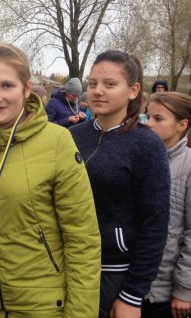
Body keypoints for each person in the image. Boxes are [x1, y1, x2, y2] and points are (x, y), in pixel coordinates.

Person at [0, 42, 101, 318]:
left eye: (7, 86)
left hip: (41, 306)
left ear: (26, 89)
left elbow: (82, 239)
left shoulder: (57, 142)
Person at [70, 50, 171, 318]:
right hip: (68, 264)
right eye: (92, 84)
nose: (97, 91)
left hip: (113, 271)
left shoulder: (146, 144)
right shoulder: (71, 136)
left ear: (133, 90)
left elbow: (155, 224)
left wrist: (132, 295)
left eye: (109, 84)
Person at [145, 92, 191, 318]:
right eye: (148, 117)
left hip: (167, 291)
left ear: (182, 125)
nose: (147, 124)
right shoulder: (141, 159)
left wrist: (184, 290)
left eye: (158, 119)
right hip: (132, 284)